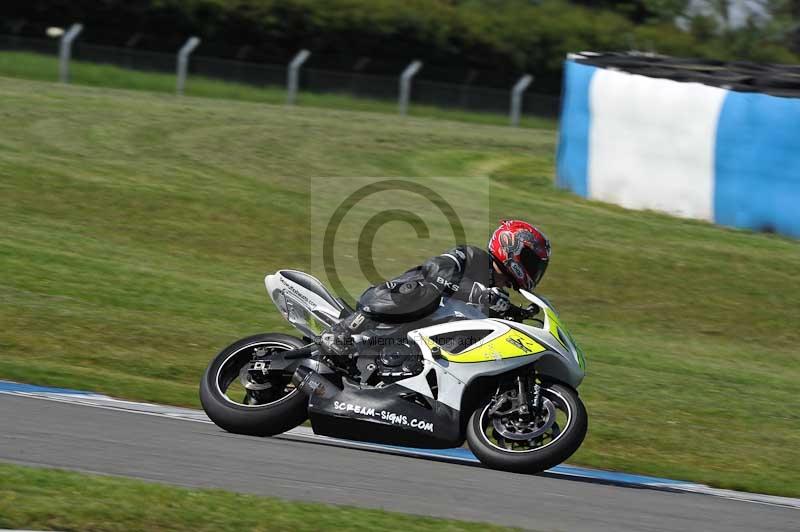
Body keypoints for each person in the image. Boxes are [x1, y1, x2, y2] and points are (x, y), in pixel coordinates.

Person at [321, 219, 551, 355]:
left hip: (410, 340)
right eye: (532, 262)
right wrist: (481, 295)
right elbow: (435, 270)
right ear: (512, 248)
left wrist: (516, 313)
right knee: (426, 293)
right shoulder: (472, 257)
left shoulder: (497, 293)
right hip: (393, 297)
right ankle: (342, 330)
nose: (534, 270)